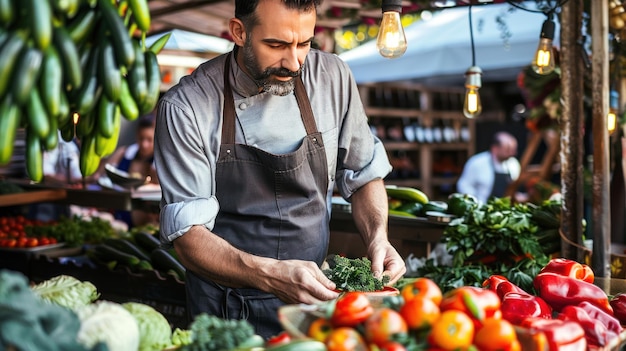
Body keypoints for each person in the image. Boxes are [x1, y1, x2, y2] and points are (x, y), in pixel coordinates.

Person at [154, 0, 406, 338]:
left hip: (315, 302)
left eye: (304, 43)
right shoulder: (187, 107)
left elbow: (363, 175)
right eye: (276, 45)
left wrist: (378, 237)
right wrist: (271, 274)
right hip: (226, 310)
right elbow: (188, 237)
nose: (294, 61)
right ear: (239, 32)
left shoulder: (333, 77)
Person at [100, 115, 159, 228]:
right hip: (115, 209)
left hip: (141, 220)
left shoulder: (158, 162)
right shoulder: (124, 152)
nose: (144, 144)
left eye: (149, 140)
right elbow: (102, 174)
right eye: (141, 138)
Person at [456, 131, 522, 204]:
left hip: (506, 209)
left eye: (513, 150)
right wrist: (475, 203)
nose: (512, 154)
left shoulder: (514, 164)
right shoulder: (477, 162)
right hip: (482, 208)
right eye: (507, 150)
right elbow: (464, 185)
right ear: (495, 148)